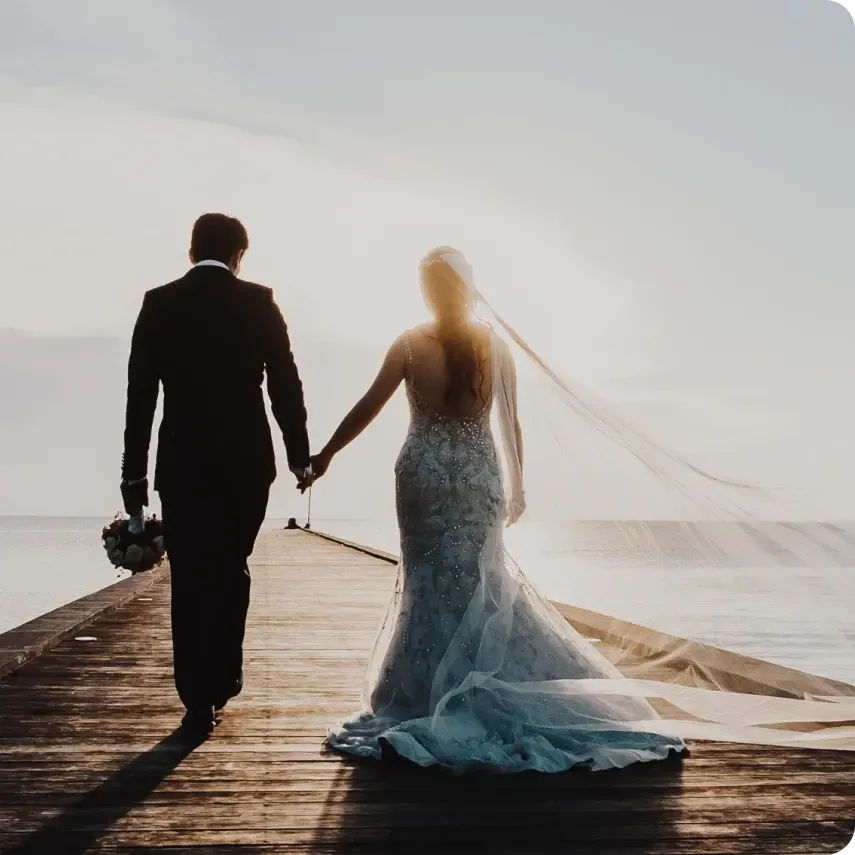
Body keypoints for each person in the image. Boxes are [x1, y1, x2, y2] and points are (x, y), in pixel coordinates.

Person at [310, 246, 686, 773]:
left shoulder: (410, 343)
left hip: (421, 473)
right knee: (480, 579)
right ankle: (478, 683)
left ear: (425, 292)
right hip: (476, 475)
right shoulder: (493, 344)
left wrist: (325, 453)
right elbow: (511, 422)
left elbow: (368, 405)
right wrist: (519, 486)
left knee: (425, 582)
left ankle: (421, 692)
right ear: (467, 287)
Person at [121, 213, 313, 737]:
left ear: (191, 252)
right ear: (239, 256)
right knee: (230, 567)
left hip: (181, 464)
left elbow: (141, 395)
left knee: (188, 578)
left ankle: (196, 700)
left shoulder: (159, 303)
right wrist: (300, 455)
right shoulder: (259, 302)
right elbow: (285, 384)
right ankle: (223, 677)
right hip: (247, 463)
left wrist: (133, 478)